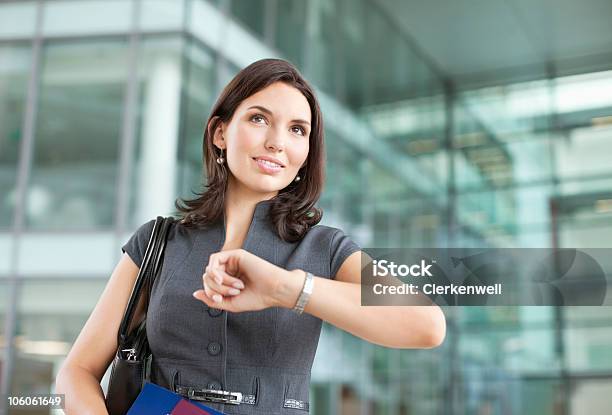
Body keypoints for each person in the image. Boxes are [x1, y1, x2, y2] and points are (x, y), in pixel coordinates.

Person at [55, 58, 446, 414]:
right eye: (259, 119)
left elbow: (425, 324)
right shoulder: (158, 242)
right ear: (220, 133)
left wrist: (286, 288)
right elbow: (78, 371)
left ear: (306, 153)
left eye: (297, 129)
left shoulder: (325, 248)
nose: (277, 141)